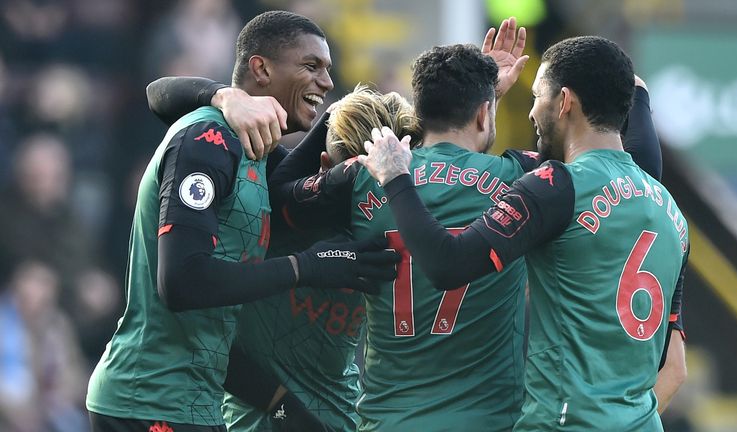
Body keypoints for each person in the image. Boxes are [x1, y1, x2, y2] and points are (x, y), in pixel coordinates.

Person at [85, 11, 398, 432]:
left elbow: (213, 332)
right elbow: (181, 282)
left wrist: (286, 411)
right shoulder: (207, 139)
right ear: (261, 68)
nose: (326, 81)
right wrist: (306, 267)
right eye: (311, 66)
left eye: (327, 69)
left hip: (195, 406)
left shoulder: (257, 155)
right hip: (148, 400)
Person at [358, 36, 687, 430]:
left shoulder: (555, 186)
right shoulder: (669, 211)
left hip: (564, 422)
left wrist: (396, 177)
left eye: (537, 96)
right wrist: (639, 97)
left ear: (564, 102)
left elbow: (447, 264)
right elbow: (675, 365)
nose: (531, 111)